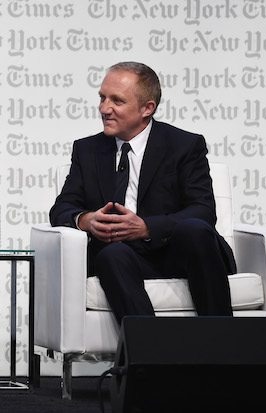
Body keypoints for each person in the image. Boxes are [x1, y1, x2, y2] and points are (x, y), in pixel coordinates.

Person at [50, 61, 235, 325]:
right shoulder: (87, 150)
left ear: (147, 108)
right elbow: (62, 208)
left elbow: (203, 211)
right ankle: (150, 359)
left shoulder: (184, 145)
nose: (104, 108)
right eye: (102, 98)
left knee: (195, 229)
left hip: (178, 250)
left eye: (117, 101)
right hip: (125, 256)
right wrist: (86, 220)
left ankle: (223, 349)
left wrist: (146, 227)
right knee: (111, 255)